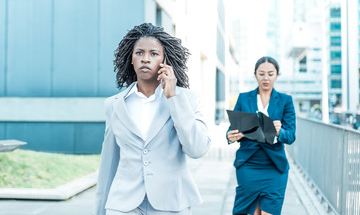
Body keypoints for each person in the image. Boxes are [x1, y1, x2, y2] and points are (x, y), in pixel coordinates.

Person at [95, 23, 211, 215]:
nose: (145, 59)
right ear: (130, 59)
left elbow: (197, 149)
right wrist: (99, 209)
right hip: (123, 204)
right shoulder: (114, 105)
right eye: (139, 53)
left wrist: (173, 98)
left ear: (165, 59)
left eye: (154, 54)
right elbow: (109, 162)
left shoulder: (186, 99)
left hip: (171, 202)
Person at [227, 56, 296, 215]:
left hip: (275, 166)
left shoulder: (286, 100)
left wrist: (280, 132)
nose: (266, 78)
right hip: (249, 164)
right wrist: (230, 135)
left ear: (277, 75)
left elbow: (291, 136)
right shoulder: (244, 98)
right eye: (262, 73)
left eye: (270, 74)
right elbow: (233, 127)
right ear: (255, 74)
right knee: (253, 212)